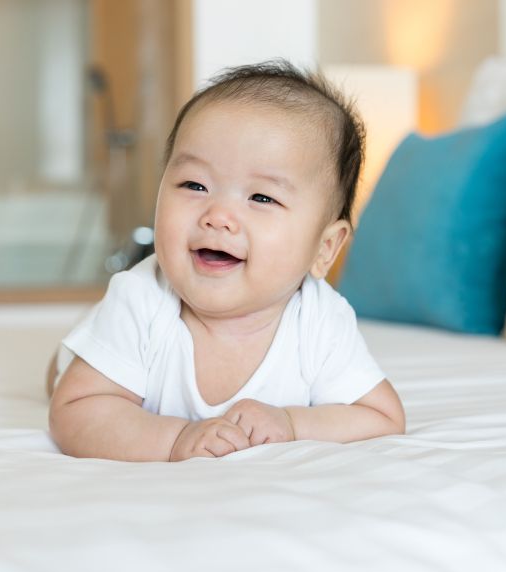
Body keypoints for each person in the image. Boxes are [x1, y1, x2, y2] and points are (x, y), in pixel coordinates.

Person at [48, 60, 405, 462]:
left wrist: (291, 424)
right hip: (112, 339)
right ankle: (72, 352)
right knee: (68, 375)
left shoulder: (321, 320)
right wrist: (177, 438)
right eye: (194, 185)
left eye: (262, 198)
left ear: (324, 249)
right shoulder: (140, 297)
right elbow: (74, 411)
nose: (217, 215)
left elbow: (381, 416)